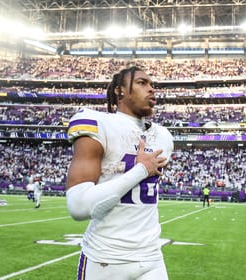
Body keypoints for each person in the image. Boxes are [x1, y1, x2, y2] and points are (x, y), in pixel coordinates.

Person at [66, 66, 174, 280]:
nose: (151, 89)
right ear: (120, 91)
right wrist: (141, 170)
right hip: (105, 259)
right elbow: (78, 207)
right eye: (142, 83)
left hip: (151, 258)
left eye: (152, 84)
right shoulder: (99, 123)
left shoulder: (163, 136)